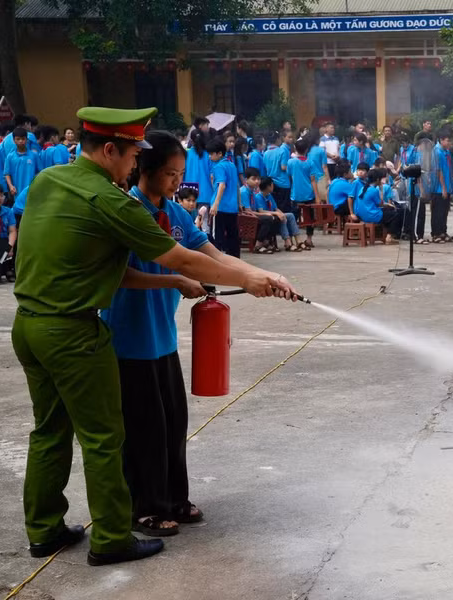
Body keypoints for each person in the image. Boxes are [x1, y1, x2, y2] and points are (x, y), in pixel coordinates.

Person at [12, 106, 298, 567]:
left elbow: (197, 249)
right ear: (109, 151)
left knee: (50, 431)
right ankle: (111, 538)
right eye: (131, 156)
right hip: (73, 331)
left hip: (29, 325)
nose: (133, 167)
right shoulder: (112, 200)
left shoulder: (50, 180)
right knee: (106, 436)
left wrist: (254, 272)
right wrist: (247, 281)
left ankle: (44, 530)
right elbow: (182, 261)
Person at [102, 130, 295, 539]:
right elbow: (118, 275)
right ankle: (146, 507)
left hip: (162, 338)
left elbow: (212, 256)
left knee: (173, 421)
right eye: (170, 174)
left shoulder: (176, 214)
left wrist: (262, 276)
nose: (176, 182)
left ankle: (173, 497)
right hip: (128, 337)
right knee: (143, 426)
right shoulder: (126, 211)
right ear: (145, 169)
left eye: (181, 173)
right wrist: (172, 280)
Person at [208, 138, 241, 257]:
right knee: (233, 236)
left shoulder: (218, 167)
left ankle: (217, 261)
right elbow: (236, 185)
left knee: (217, 236)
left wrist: (215, 204)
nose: (209, 156)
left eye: (211, 153)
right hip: (232, 207)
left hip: (220, 207)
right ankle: (235, 260)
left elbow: (222, 185)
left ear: (219, 153)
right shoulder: (232, 165)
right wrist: (239, 202)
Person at [353, 168, 404, 244]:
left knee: (388, 213)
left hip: (362, 215)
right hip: (372, 215)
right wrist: (381, 189)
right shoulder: (373, 190)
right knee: (395, 214)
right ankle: (389, 237)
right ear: (377, 179)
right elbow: (381, 203)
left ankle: (384, 234)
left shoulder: (363, 188)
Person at [287, 138, 318, 250]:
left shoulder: (291, 162)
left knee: (294, 217)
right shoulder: (310, 162)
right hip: (309, 194)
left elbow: (289, 176)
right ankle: (309, 239)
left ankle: (294, 239)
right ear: (307, 150)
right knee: (309, 217)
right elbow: (313, 180)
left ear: (295, 149)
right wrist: (317, 196)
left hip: (295, 194)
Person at [255, 177, 301, 251]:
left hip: (273, 215)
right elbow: (261, 211)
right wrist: (277, 213)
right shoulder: (258, 196)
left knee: (290, 215)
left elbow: (276, 208)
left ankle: (298, 240)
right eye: (272, 185)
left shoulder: (269, 195)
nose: (273, 186)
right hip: (266, 217)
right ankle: (287, 242)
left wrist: (281, 213)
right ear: (268, 186)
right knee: (281, 218)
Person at [239, 167, 276, 253]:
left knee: (275, 218)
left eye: (258, 179)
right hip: (244, 217)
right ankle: (258, 245)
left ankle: (266, 242)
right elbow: (248, 212)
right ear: (246, 180)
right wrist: (265, 215)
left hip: (251, 215)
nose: (257, 181)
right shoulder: (244, 191)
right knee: (267, 219)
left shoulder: (252, 191)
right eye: (253, 179)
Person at [4, 127, 41, 200]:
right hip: (17, 192)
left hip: (32, 191)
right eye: (18, 139)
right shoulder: (10, 156)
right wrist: (11, 186)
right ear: (14, 140)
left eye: (23, 139)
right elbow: (7, 173)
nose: (21, 141)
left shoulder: (34, 155)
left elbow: (40, 172)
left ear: (27, 140)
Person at [430, 132, 453, 243]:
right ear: (441, 140)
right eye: (448, 140)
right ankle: (436, 233)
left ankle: (443, 231)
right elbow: (438, 171)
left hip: (447, 186)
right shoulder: (436, 152)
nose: (449, 143)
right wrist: (443, 188)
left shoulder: (446, 152)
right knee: (437, 212)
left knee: (444, 211)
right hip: (438, 188)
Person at [185, 129, 213, 212]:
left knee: (189, 221)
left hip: (188, 192)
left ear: (191, 140)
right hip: (206, 193)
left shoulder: (186, 154)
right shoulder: (209, 155)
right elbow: (212, 175)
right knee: (203, 222)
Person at [265, 130, 293, 212]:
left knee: (275, 207)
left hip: (272, 184)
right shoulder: (282, 151)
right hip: (283, 183)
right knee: (285, 209)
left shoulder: (266, 153)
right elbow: (283, 167)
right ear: (277, 139)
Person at [305, 130, 329, 200]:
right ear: (316, 140)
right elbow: (324, 167)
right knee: (323, 201)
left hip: (309, 178)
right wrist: (328, 179)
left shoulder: (306, 150)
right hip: (320, 178)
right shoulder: (321, 150)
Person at [0, 200, 16, 282]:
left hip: (3, 241)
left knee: (4, 250)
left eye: (1, 195)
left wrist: (10, 248)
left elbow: (12, 231)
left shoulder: (8, 211)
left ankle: (8, 269)